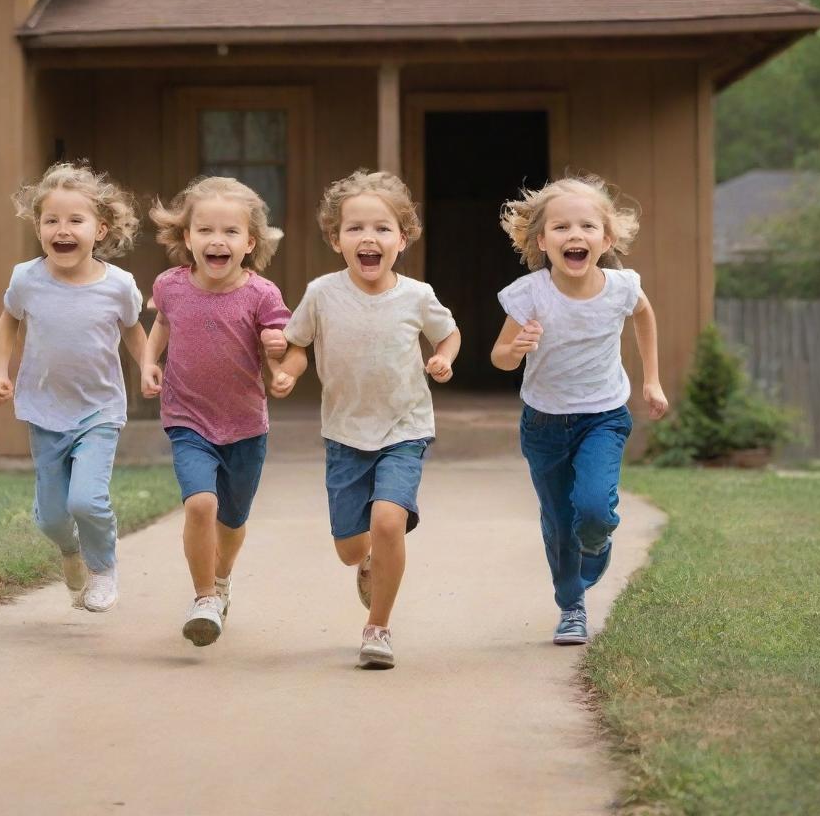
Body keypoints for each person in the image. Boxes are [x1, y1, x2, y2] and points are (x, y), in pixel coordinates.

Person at [266, 170, 460, 670]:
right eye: (355, 229)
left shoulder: (417, 295)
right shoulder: (322, 293)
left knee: (388, 520)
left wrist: (444, 359)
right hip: (345, 433)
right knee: (351, 549)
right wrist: (285, 373)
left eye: (381, 229)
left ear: (402, 238)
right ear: (336, 239)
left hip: (405, 426)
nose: (368, 238)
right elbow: (298, 345)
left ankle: (378, 628)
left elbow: (448, 333)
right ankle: (369, 561)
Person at [491, 174, 668, 645]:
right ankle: (572, 607)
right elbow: (499, 355)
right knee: (556, 519)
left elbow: (645, 316)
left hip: (604, 416)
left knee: (592, 509)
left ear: (606, 239)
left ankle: (598, 537)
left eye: (587, 227)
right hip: (544, 423)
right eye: (562, 228)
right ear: (542, 241)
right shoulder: (529, 293)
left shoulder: (621, 287)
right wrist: (518, 348)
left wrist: (651, 379)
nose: (575, 235)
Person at [0, 161, 145, 613]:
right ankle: (71, 551)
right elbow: (9, 321)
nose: (62, 229)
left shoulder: (118, 286)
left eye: (76, 220)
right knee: (54, 517)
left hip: (99, 410)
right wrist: (2, 372)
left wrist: (150, 365)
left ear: (101, 228)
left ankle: (102, 570)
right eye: (51, 220)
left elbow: (133, 329)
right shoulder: (27, 279)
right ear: (38, 227)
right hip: (43, 409)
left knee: (87, 499)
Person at [141, 176, 290, 647]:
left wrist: (278, 357)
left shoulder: (262, 294)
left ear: (250, 242)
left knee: (233, 520)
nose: (216, 240)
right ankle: (204, 596)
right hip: (188, 418)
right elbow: (162, 324)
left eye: (230, 232)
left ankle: (221, 580)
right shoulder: (170, 286)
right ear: (187, 237)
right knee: (201, 503)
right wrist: (149, 361)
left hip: (246, 424)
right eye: (205, 230)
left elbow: (280, 346)